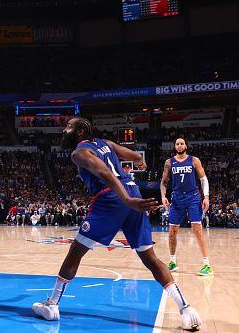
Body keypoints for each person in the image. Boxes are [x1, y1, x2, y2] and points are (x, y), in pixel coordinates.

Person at [32, 117, 202, 331]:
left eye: (68, 127)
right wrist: (139, 165)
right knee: (150, 258)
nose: (64, 130)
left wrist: (126, 200)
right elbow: (134, 156)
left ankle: (52, 305)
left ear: (81, 132)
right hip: (132, 189)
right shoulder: (106, 144)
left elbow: (104, 173)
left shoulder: (79, 153)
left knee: (75, 252)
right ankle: (186, 309)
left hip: (112, 198)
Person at [160, 138, 213, 276]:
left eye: (182, 143)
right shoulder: (169, 162)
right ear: (174, 147)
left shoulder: (194, 160)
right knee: (172, 231)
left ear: (186, 146)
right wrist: (163, 196)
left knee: (197, 229)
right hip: (177, 198)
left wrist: (206, 197)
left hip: (193, 197)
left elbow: (203, 180)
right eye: (177, 144)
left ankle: (207, 264)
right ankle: (172, 262)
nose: (179, 145)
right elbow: (163, 182)